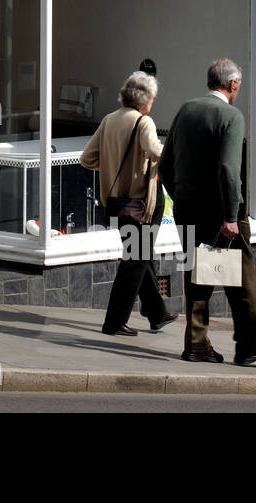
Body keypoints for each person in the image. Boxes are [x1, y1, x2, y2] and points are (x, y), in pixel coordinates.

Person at [159, 58, 256, 366]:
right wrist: (229, 216)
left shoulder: (186, 110)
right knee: (243, 279)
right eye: (239, 85)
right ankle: (250, 345)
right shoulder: (231, 116)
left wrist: (180, 197)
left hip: (188, 211)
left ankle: (197, 345)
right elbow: (228, 169)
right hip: (222, 214)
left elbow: (165, 165)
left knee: (198, 278)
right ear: (233, 85)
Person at [81, 70, 177, 336]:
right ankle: (113, 322)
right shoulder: (143, 122)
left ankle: (156, 313)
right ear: (143, 99)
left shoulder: (109, 119)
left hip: (118, 203)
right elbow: (155, 149)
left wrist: (112, 169)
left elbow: (87, 159)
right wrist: (176, 154)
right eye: (153, 99)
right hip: (141, 204)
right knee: (135, 261)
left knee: (139, 258)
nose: (153, 104)